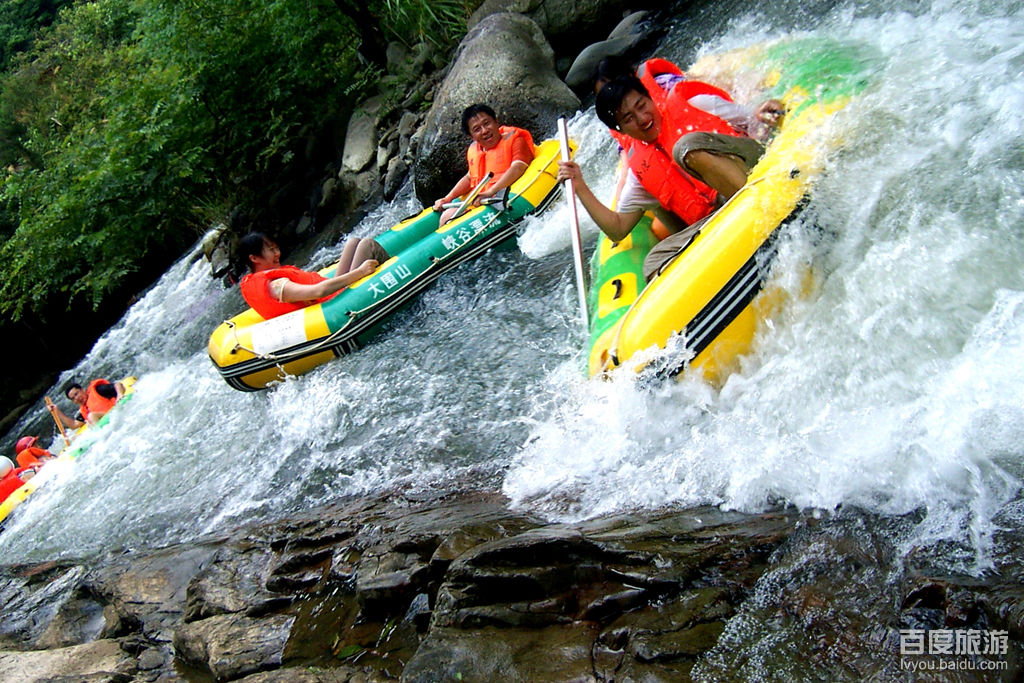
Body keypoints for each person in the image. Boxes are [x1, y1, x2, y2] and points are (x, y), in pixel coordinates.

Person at [560, 71, 784, 280]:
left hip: (751, 174)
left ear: (650, 98)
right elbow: (617, 228)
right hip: (719, 216)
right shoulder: (641, 171)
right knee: (654, 264)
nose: (642, 118)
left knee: (684, 146)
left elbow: (753, 119)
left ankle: (764, 214)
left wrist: (763, 110)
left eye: (642, 105)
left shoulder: (694, 104)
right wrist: (579, 185)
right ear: (620, 130)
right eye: (628, 118)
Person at [432, 104, 536, 225]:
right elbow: (470, 177)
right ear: (471, 136)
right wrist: (448, 198)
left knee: (448, 217)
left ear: (496, 121)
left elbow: (518, 167)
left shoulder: (515, 140)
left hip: (504, 199)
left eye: (487, 123)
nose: (485, 131)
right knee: (447, 216)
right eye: (477, 129)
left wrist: (490, 192)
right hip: (481, 202)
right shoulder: (475, 151)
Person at [238, 232, 381, 319]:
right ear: (254, 258)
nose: (277, 254)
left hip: (331, 296)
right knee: (367, 245)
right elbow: (319, 291)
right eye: (271, 250)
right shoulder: (275, 286)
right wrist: (361, 272)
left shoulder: (264, 279)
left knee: (353, 242)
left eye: (276, 248)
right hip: (335, 304)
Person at [50, 378, 126, 429]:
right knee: (76, 435)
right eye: (73, 398)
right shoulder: (84, 410)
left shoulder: (98, 390)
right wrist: (57, 411)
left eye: (76, 394)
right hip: (107, 423)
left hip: (114, 413)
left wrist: (119, 394)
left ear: (82, 390)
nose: (76, 398)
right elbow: (74, 425)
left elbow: (118, 385)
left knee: (91, 416)